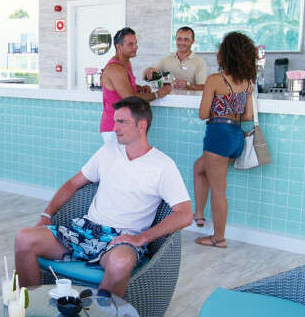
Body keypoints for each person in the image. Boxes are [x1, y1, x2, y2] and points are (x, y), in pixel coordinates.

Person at [14, 96, 192, 298]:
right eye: (115, 121)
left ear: (141, 125)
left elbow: (185, 214)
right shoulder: (108, 151)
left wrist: (141, 238)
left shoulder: (163, 165)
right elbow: (73, 184)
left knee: (120, 262)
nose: (115, 128)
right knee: (24, 238)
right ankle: (31, 306)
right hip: (85, 231)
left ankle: (102, 316)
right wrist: (46, 215)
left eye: (122, 122)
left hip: (121, 239)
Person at [192, 31, 257, 249]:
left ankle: (218, 238)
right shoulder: (247, 82)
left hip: (218, 137)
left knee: (219, 192)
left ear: (226, 54)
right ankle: (199, 215)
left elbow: (203, 114)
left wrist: (219, 110)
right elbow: (247, 116)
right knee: (199, 167)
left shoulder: (215, 80)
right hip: (236, 137)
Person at [99, 27, 171, 143]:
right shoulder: (115, 68)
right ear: (119, 47)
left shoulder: (126, 62)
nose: (135, 47)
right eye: (130, 44)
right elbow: (130, 98)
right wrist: (157, 94)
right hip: (113, 128)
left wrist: (138, 87)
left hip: (124, 124)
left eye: (135, 43)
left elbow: (122, 85)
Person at [142, 26, 207, 91]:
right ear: (175, 40)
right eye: (179, 39)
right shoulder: (165, 60)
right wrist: (147, 73)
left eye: (186, 40)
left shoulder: (200, 62)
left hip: (189, 98)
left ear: (192, 41)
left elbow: (203, 87)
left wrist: (187, 84)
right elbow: (147, 77)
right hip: (167, 97)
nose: (182, 42)